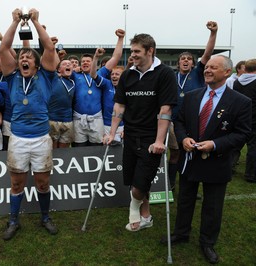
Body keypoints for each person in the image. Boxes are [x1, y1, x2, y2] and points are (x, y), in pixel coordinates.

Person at [163, 55, 251, 264]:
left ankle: (207, 242)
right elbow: (180, 120)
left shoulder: (241, 101)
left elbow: (243, 133)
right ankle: (181, 233)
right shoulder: (192, 96)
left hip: (217, 161)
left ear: (227, 72)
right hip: (190, 158)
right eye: (207, 67)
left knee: (212, 205)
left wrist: (215, 144)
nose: (207, 70)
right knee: (185, 199)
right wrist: (183, 138)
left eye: (213, 67)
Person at [105, 33, 177, 232]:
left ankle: (134, 210)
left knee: (140, 184)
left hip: (151, 138)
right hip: (130, 135)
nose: (132, 56)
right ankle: (146, 216)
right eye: (132, 51)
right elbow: (119, 106)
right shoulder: (128, 74)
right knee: (134, 180)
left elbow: (165, 110)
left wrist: (160, 141)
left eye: (137, 51)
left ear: (150, 51)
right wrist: (112, 133)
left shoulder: (164, 74)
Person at [0, 7, 59, 240]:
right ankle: (14, 221)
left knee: (42, 183)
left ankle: (45, 217)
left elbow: (50, 47)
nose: (23, 59)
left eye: (28, 58)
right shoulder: (12, 77)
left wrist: (36, 22)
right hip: (19, 139)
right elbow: (4, 48)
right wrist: (14, 22)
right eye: (21, 57)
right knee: (16, 183)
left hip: (41, 138)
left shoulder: (46, 76)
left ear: (36, 65)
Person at [168, 21, 218, 190]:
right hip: (174, 122)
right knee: (175, 152)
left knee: (192, 153)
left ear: (193, 63)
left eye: (189, 59)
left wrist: (213, 33)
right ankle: (170, 183)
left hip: (195, 121)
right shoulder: (171, 76)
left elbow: (208, 53)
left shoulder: (197, 74)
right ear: (178, 63)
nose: (186, 60)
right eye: (183, 58)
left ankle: (190, 184)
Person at [72, 29, 125, 147]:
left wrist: (120, 39)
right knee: (79, 150)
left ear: (93, 63)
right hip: (78, 118)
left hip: (96, 119)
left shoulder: (100, 73)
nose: (85, 63)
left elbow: (116, 58)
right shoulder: (74, 75)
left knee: (96, 150)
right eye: (83, 61)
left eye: (88, 61)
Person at [89, 48, 124, 139]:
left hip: (121, 125)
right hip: (105, 125)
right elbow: (93, 75)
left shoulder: (126, 88)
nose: (114, 76)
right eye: (112, 74)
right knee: (105, 150)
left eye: (117, 74)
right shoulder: (107, 84)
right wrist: (96, 57)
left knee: (120, 151)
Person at [233, 58, 256, 183]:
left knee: (235, 145)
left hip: (239, 119)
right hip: (253, 120)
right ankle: (251, 175)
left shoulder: (237, 82)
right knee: (253, 148)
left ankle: (229, 168)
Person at [48, 59, 75, 148]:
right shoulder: (54, 79)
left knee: (64, 150)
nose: (68, 65)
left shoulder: (73, 82)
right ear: (59, 70)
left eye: (69, 64)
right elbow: (50, 62)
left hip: (68, 120)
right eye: (64, 64)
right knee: (53, 148)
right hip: (53, 119)